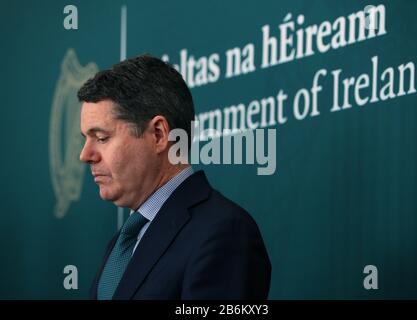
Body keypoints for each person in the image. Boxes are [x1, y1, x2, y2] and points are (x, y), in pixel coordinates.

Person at [77, 54, 271, 300]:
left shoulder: (225, 232)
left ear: (158, 135)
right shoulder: (123, 242)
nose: (85, 155)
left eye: (102, 138)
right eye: (86, 138)